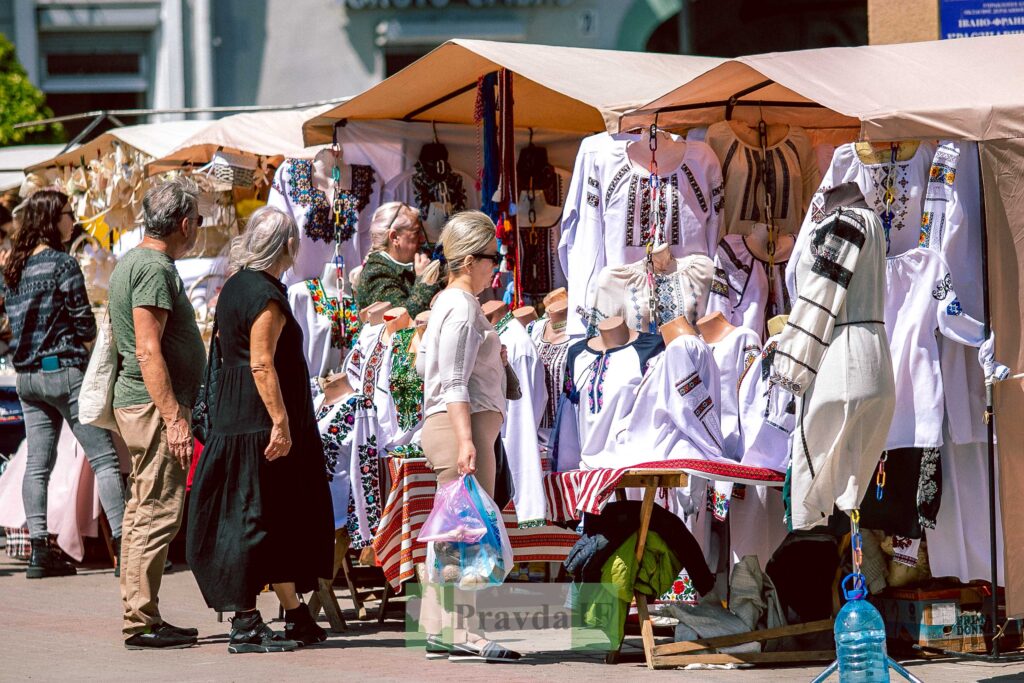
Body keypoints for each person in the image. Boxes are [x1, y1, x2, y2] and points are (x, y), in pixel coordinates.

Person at [186, 206, 334, 654]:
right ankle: (246, 625)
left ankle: (294, 613)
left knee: (272, 520)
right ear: (288, 247)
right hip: (257, 424)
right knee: (251, 523)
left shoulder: (236, 285)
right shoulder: (266, 296)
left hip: (238, 420)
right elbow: (260, 361)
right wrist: (282, 422)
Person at [2, 190, 125, 579]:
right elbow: (84, 324)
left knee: (37, 465)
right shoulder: (62, 264)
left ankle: (40, 549)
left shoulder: (14, 269)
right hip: (64, 371)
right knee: (104, 458)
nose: (73, 222)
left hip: (27, 378)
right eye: (69, 214)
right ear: (53, 218)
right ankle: (125, 544)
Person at [415, 211, 521, 662]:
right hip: (462, 426)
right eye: (491, 257)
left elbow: (426, 367)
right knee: (472, 535)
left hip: (460, 425)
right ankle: (469, 633)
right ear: (468, 260)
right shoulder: (460, 307)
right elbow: (453, 381)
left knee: (457, 532)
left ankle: (442, 627)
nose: (496, 266)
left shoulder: (449, 304)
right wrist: (466, 442)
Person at [107, 177, 207, 650]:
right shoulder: (152, 267)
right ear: (184, 223)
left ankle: (140, 612)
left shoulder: (137, 261)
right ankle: (141, 618)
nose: (199, 229)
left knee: (143, 507)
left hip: (143, 402)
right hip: (150, 405)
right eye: (199, 221)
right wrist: (173, 417)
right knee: (157, 511)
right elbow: (148, 350)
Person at [354, 202, 441, 317]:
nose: (422, 238)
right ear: (394, 237)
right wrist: (425, 280)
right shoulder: (376, 274)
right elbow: (402, 319)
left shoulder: (404, 265)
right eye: (416, 233)